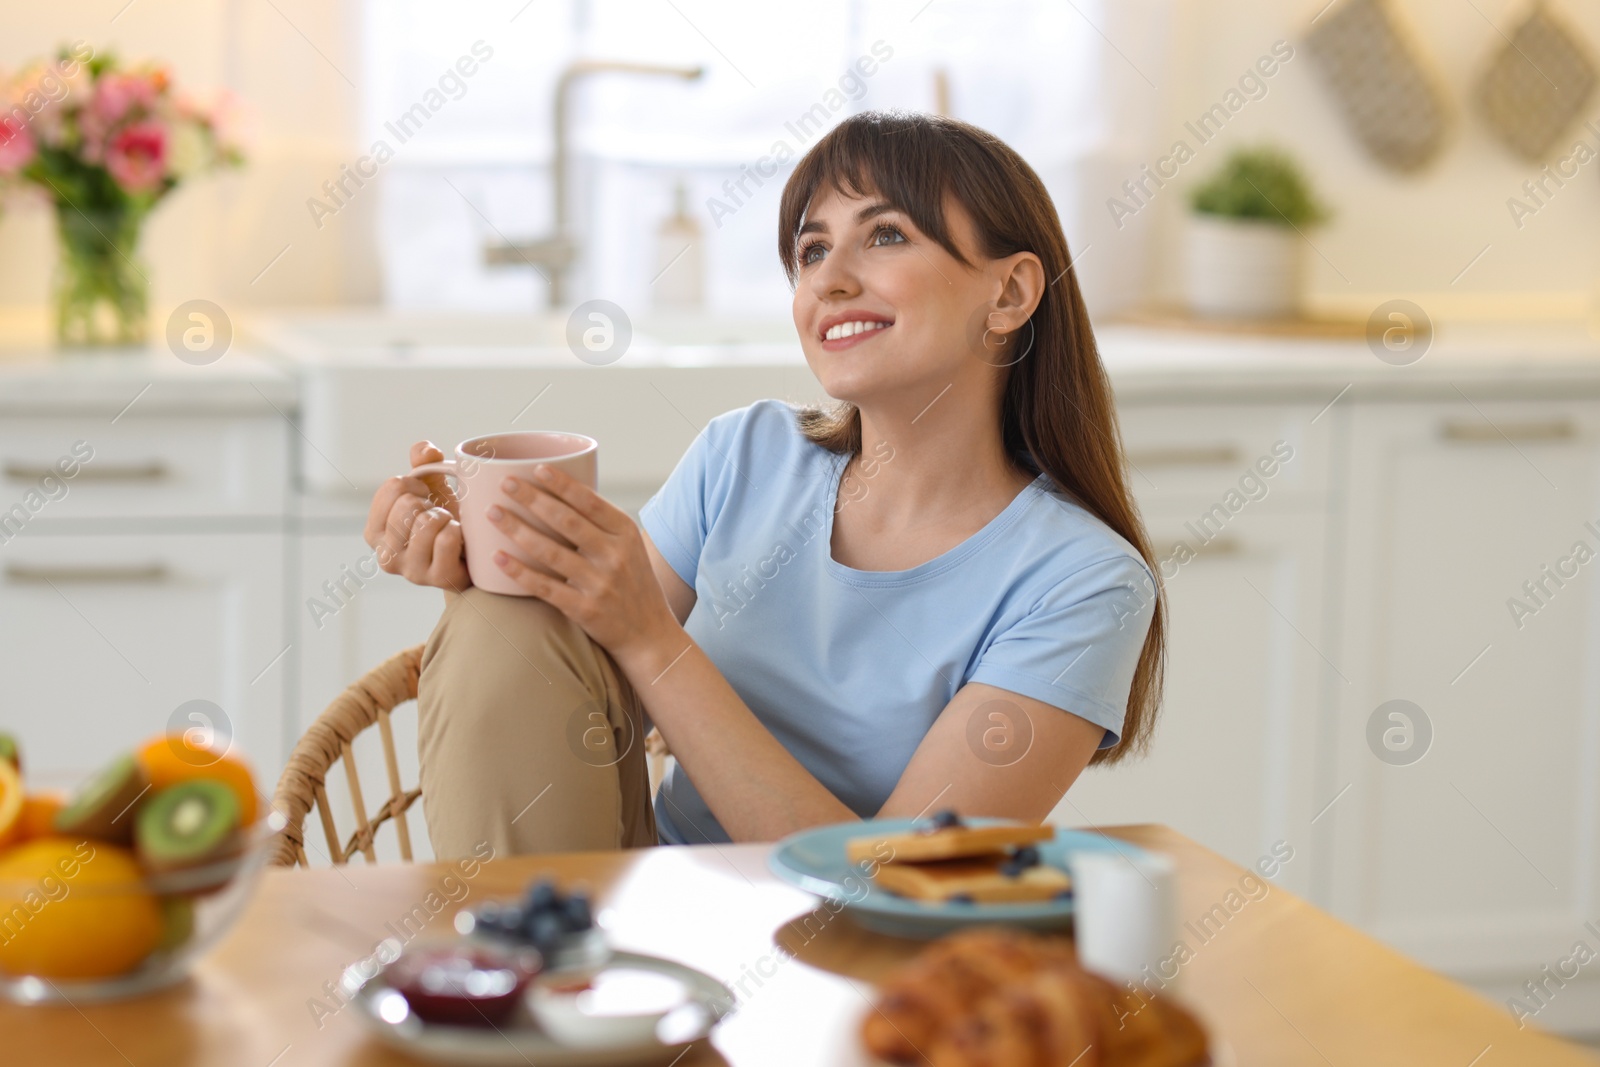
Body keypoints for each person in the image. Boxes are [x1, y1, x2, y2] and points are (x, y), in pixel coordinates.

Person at [363, 109, 1165, 858]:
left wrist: (654, 640)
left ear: (1011, 292)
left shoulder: (1084, 581)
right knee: (499, 623)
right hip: (643, 910)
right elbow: (560, 679)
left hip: (859, 963)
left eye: (885, 234)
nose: (829, 280)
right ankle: (516, 981)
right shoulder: (745, 454)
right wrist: (481, 559)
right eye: (812, 250)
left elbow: (890, 883)